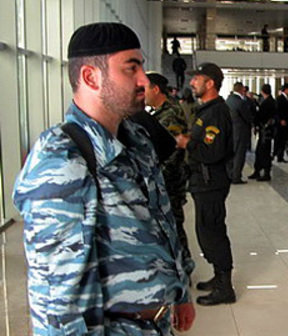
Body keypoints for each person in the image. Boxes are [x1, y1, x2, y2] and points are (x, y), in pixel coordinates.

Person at [13, 22, 195, 335]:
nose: (143, 80)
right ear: (90, 77)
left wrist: (180, 291)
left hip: (155, 324)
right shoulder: (61, 160)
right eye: (131, 68)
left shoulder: (136, 140)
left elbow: (162, 223)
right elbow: (56, 301)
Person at [176, 62, 236, 305]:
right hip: (202, 180)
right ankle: (218, 277)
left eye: (196, 78)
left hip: (211, 182)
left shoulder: (216, 113)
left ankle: (225, 288)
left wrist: (186, 144)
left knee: (213, 232)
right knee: (206, 231)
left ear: (210, 83)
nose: (192, 82)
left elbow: (212, 153)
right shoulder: (206, 110)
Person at [144, 72, 195, 275]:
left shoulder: (170, 113)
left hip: (170, 179)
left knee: (173, 222)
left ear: (156, 89)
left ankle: (185, 265)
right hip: (165, 177)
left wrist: (159, 176)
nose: (143, 93)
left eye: (146, 89)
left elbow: (173, 150)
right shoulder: (158, 112)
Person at [226, 82, 254, 184]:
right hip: (241, 132)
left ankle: (230, 174)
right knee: (239, 155)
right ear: (241, 89)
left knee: (231, 154)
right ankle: (236, 176)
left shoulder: (228, 100)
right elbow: (247, 117)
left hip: (231, 131)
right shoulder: (240, 102)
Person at [249, 84, 277, 181]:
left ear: (262, 91)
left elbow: (260, 115)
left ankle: (266, 173)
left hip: (266, 130)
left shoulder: (267, 103)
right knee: (260, 151)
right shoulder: (271, 101)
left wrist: (255, 122)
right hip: (267, 130)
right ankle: (258, 170)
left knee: (264, 151)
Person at [274, 83, 288, 162]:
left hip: (286, 121)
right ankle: (279, 156)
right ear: (286, 89)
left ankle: (280, 155)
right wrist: (281, 119)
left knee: (284, 139)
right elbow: (277, 111)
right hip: (281, 122)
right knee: (280, 139)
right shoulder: (279, 98)